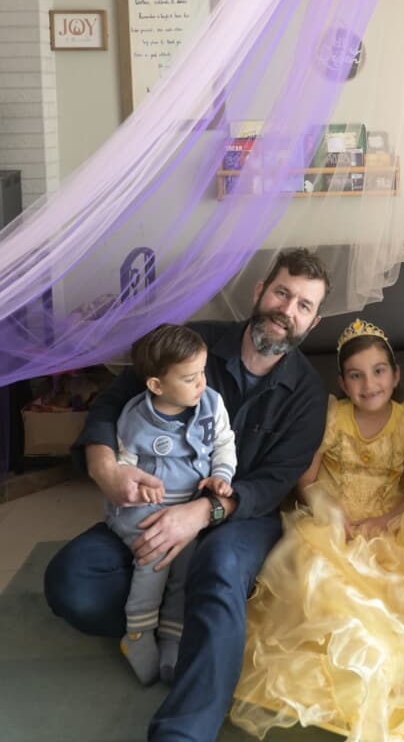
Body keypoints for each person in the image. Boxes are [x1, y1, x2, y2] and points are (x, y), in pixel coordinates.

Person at [44, 247, 331, 742]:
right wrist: (105, 467)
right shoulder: (189, 343)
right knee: (70, 583)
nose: (289, 310)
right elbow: (112, 403)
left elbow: (273, 482)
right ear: (260, 291)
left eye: (304, 305)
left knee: (216, 571)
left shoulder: (308, 392)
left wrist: (202, 513)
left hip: (240, 515)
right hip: (150, 504)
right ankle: (186, 628)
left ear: (314, 321)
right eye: (283, 293)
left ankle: (182, 731)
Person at [230, 318, 404, 742]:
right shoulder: (333, 415)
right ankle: (326, 663)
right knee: (317, 584)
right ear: (341, 381)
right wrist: (329, 509)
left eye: (378, 371)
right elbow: (308, 478)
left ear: (395, 375)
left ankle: (367, 671)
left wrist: (377, 524)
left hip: (389, 525)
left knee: (385, 597)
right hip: (332, 522)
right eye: (355, 375)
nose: (368, 384)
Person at [106, 324, 237, 686]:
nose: (202, 384)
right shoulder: (136, 418)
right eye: (190, 378)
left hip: (191, 505)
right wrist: (134, 483)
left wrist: (220, 476)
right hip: (145, 508)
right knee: (155, 559)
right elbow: (122, 462)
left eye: (203, 373)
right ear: (157, 386)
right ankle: (137, 633)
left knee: (187, 564)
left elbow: (224, 441)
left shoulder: (210, 402)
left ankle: (172, 635)